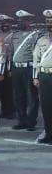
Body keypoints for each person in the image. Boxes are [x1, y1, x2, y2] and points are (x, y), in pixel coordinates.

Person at [11, 10, 41, 131]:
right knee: (18, 96)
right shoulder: (15, 35)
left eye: (24, 20)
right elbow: (10, 52)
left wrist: (36, 73)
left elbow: (37, 54)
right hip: (16, 68)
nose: (21, 22)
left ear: (30, 21)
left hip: (28, 68)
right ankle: (21, 120)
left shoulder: (35, 35)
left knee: (31, 97)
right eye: (19, 20)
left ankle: (31, 122)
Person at [33, 10, 52, 144]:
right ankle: (48, 134)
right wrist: (35, 77)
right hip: (44, 75)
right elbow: (36, 60)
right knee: (46, 106)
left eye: (51, 20)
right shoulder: (41, 39)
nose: (49, 22)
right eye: (47, 21)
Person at [0, 15, 15, 119]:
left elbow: (12, 53)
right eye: (2, 23)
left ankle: (9, 111)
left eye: (7, 23)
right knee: (0, 89)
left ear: (10, 24)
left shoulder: (13, 35)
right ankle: (3, 110)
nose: (4, 25)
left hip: (9, 64)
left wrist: (10, 68)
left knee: (8, 89)